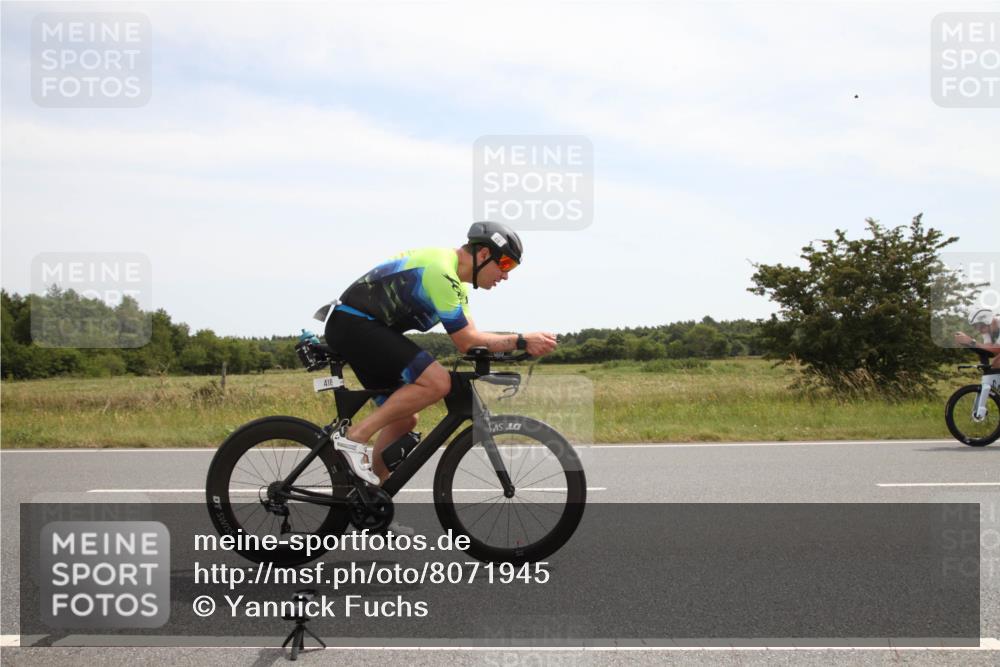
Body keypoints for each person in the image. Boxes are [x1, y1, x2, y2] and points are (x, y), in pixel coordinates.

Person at [324, 222, 558, 486]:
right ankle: (353, 438)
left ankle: (371, 494)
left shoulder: (455, 283)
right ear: (483, 254)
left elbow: (473, 338)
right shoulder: (441, 272)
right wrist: (522, 340)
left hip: (360, 326)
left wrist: (514, 347)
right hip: (354, 324)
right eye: (505, 264)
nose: (505, 275)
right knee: (438, 382)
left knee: (403, 419)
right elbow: (466, 342)